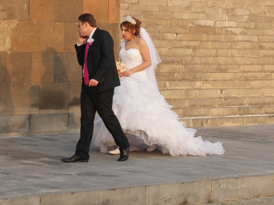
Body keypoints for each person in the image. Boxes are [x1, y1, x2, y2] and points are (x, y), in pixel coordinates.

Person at [92, 15, 224, 157]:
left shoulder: (141, 43)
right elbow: (121, 62)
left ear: (133, 30)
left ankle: (144, 142)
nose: (123, 33)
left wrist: (132, 71)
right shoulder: (123, 44)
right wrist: (120, 69)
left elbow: (148, 62)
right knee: (120, 109)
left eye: (126, 30)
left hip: (137, 79)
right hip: (123, 79)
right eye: (122, 30)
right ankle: (126, 142)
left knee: (141, 111)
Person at [62, 13, 130, 163]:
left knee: (107, 116)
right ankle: (81, 153)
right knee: (86, 119)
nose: (78, 29)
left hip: (102, 85)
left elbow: (108, 59)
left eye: (79, 26)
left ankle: (124, 145)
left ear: (86, 24)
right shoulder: (87, 40)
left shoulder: (103, 36)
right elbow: (82, 62)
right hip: (87, 86)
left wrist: (97, 77)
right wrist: (80, 44)